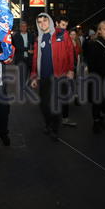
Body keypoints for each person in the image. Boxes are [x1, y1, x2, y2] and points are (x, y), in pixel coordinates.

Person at [30, 13, 74, 141]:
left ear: (50, 21)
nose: (43, 23)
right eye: (39, 22)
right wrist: (34, 76)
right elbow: (35, 58)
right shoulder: (39, 38)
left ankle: (54, 129)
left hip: (58, 76)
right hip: (43, 76)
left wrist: (71, 69)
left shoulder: (61, 34)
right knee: (43, 105)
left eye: (45, 20)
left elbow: (70, 51)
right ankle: (48, 123)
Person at [86, 21, 105, 134]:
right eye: (104, 29)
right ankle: (96, 121)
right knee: (97, 102)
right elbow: (91, 65)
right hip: (98, 79)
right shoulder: (94, 44)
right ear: (99, 31)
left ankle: (101, 117)